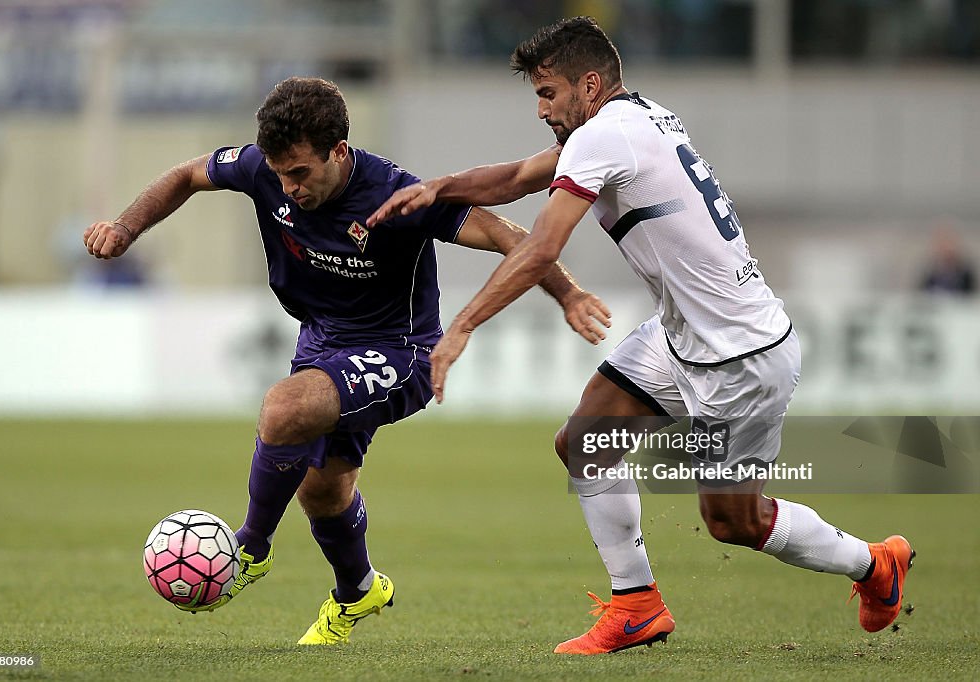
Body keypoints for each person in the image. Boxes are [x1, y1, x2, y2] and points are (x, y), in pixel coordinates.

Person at [368, 17, 914, 655]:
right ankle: (637, 604)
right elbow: (519, 176)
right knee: (583, 442)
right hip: (682, 332)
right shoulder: (634, 119)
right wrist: (436, 188)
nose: (541, 109)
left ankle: (874, 565)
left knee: (733, 521)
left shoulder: (603, 137)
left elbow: (543, 245)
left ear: (590, 84)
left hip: (739, 357)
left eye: (549, 93)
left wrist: (460, 327)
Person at [84, 77, 606, 645]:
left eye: (301, 173)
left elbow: (510, 236)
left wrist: (570, 294)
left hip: (399, 350)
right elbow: (187, 174)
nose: (287, 188)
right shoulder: (265, 168)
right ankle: (358, 591)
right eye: (279, 174)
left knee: (284, 410)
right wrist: (125, 227)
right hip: (320, 340)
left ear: (339, 151)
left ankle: (250, 549)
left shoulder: (393, 194)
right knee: (321, 490)